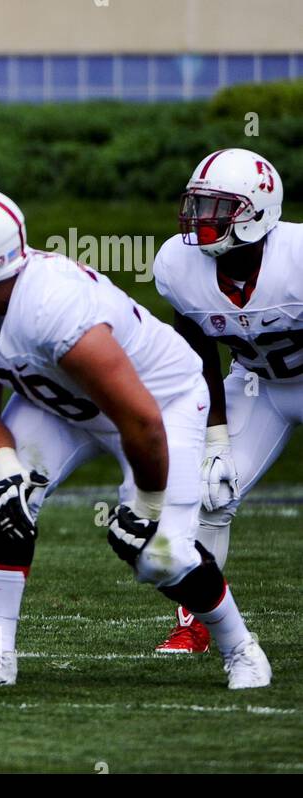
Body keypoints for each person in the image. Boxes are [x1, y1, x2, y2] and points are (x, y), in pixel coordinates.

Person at [0, 185, 270, 690]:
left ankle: (241, 648)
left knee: (161, 555)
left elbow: (140, 421)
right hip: (61, 405)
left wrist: (142, 507)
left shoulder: (53, 308)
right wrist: (9, 472)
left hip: (159, 406)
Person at [149, 148, 301, 655]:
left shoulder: (297, 257)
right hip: (258, 385)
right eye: (198, 206)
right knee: (209, 492)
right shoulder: (179, 264)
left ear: (258, 213)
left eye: (218, 209)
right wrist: (214, 437)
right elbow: (196, 351)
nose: (201, 221)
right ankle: (197, 622)